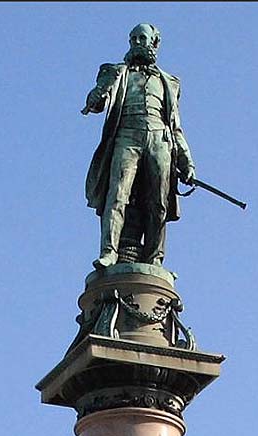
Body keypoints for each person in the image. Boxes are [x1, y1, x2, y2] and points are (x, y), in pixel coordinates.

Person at [84, 23, 195, 269]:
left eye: (141, 38)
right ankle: (110, 251)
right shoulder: (115, 72)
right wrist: (100, 91)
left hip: (160, 139)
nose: (136, 43)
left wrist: (187, 161)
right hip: (126, 135)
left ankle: (154, 258)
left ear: (154, 43)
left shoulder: (170, 82)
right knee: (117, 195)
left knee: (158, 202)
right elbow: (94, 103)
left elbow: (175, 124)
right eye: (133, 38)